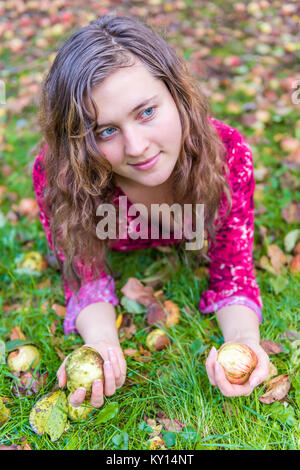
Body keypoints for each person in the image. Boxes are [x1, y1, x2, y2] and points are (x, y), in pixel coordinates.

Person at [32, 14, 270, 408]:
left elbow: (233, 274)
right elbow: (84, 273)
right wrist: (102, 342)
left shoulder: (227, 156)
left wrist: (244, 344)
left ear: (176, 93)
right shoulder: (62, 175)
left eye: (146, 112)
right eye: (106, 131)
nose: (137, 147)